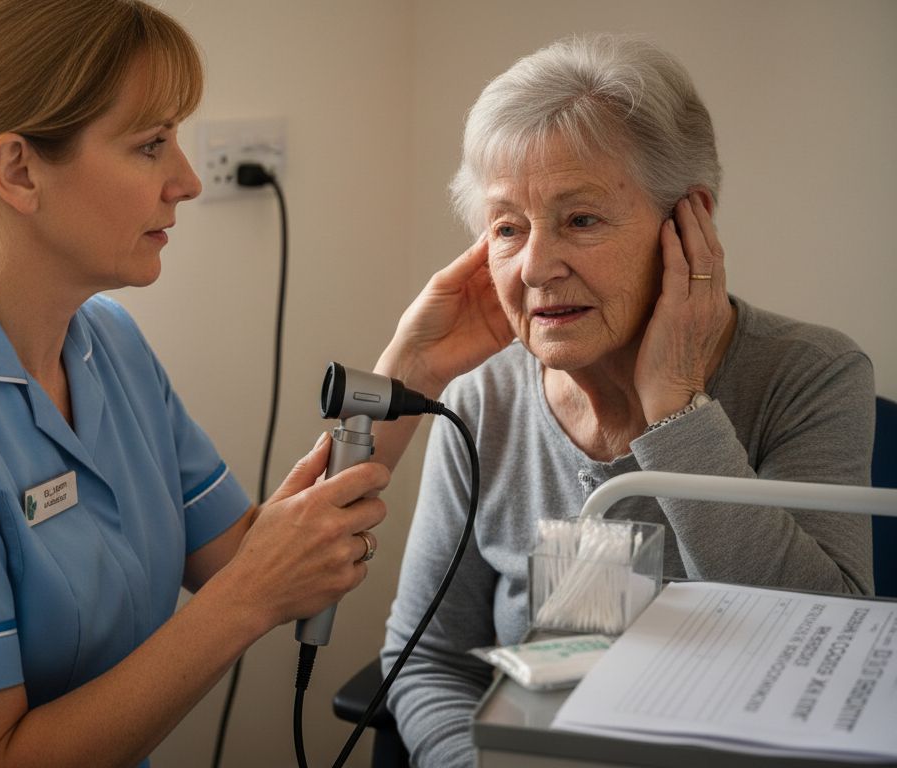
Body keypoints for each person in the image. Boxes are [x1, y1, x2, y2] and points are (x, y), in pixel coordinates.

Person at [0, 1, 394, 765]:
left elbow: (249, 557)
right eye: (151, 144)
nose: (187, 181)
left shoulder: (106, 345)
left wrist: (416, 365)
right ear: (19, 171)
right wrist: (250, 594)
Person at [370, 35, 876, 766]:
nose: (536, 267)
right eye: (507, 228)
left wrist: (677, 409)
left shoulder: (811, 375)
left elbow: (830, 650)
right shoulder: (480, 402)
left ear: (688, 223)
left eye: (580, 220)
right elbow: (428, 660)